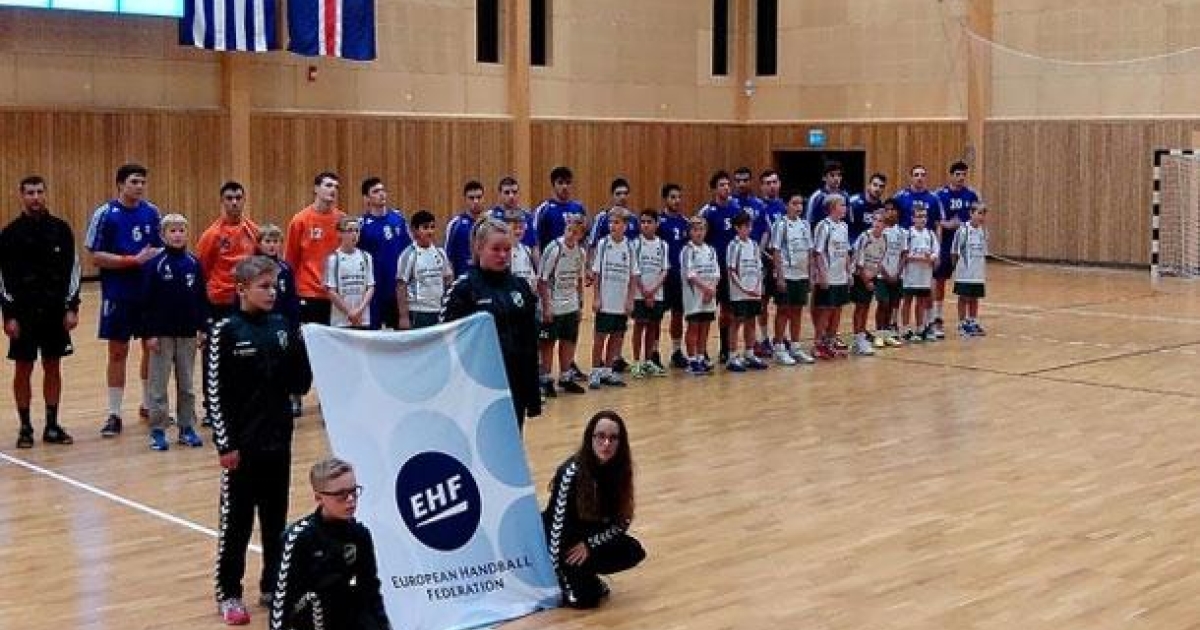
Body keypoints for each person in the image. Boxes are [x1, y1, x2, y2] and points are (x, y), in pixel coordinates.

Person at [210, 256, 312, 626]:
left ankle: (272, 586)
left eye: (275, 286)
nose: (272, 293)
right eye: (264, 287)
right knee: (236, 524)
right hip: (242, 448)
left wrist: (302, 347)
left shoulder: (282, 326)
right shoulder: (225, 331)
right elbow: (215, 394)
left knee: (275, 520)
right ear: (242, 289)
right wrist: (226, 445)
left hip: (278, 442)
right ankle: (229, 592)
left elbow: (300, 384)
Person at [0, 175, 80, 448]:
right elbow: (3, 278)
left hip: (55, 312)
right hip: (23, 314)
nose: (35, 197)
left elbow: (73, 271)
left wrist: (71, 308)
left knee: (52, 366)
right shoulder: (9, 234)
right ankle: (25, 427)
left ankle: (52, 425)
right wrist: (9, 315)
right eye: (30, 193)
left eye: (39, 192)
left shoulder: (61, 230)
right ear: (21, 196)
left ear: (46, 194)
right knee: (23, 368)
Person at [85, 163, 162, 437]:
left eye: (142, 182)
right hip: (118, 294)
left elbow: (159, 247)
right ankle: (114, 413)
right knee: (118, 352)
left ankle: (148, 404)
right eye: (134, 182)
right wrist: (131, 260)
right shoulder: (106, 214)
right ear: (120, 184)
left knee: (151, 349)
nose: (139, 186)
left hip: (147, 294)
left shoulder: (152, 212)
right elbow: (95, 256)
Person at [441, 218, 541, 429]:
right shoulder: (464, 289)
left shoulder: (521, 287)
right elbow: (447, 343)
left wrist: (533, 395)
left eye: (507, 249)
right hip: (478, 388)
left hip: (514, 386)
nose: (503, 255)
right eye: (496, 249)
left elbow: (530, 344)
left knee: (511, 441)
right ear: (479, 248)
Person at [271, 457, 391, 630]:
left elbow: (370, 589)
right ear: (318, 498)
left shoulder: (360, 535)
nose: (351, 499)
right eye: (341, 495)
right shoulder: (298, 538)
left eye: (353, 491)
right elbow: (281, 602)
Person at [543, 410, 645, 609]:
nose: (606, 444)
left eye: (613, 438)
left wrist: (589, 545)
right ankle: (575, 578)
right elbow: (556, 529)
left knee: (633, 551)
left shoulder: (621, 469)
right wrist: (556, 574)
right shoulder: (570, 473)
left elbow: (622, 521)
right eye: (600, 436)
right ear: (590, 437)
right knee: (584, 601)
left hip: (588, 538)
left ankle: (586, 574)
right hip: (565, 542)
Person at [141, 214, 207, 451]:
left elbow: (201, 299)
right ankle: (158, 430)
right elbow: (146, 302)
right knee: (158, 385)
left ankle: (187, 427)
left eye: (181, 230)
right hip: (162, 335)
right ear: (163, 235)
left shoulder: (194, 264)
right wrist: (149, 334)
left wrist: (202, 328)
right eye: (172, 231)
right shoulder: (155, 265)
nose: (177, 235)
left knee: (187, 385)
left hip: (187, 333)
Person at [285, 171, 345, 328]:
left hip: (336, 294)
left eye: (336, 187)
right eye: (328, 185)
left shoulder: (343, 221)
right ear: (316, 189)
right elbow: (290, 260)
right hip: (308, 292)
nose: (333, 190)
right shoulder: (300, 220)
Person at [537, 215, 588, 397]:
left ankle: (566, 377)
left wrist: (580, 304)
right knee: (548, 343)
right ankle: (545, 379)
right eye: (568, 230)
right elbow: (542, 280)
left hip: (571, 304)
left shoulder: (580, 253)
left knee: (569, 340)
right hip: (554, 304)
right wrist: (546, 306)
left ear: (581, 235)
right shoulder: (554, 249)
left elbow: (579, 279)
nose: (570, 235)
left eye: (575, 232)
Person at [256, 225, 303, 417]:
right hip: (260, 323)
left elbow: (292, 299)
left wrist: (295, 324)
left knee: (287, 361)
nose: (272, 245)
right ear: (259, 244)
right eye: (268, 241)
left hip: (282, 324)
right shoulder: (252, 268)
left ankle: (292, 398)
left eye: (275, 241)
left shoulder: (285, 269)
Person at [588, 208, 638, 390]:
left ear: (625, 225)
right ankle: (595, 371)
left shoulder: (630, 246)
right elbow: (597, 273)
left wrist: (630, 300)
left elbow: (633, 275)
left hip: (621, 301)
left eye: (616, 223)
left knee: (617, 337)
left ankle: (608, 371)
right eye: (610, 222)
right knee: (600, 337)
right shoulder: (603, 244)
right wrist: (596, 297)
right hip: (606, 300)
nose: (612, 226)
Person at [197, 182, 260, 323]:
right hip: (220, 301)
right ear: (222, 201)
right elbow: (202, 269)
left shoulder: (254, 231)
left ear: (244, 200)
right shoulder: (211, 235)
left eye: (238, 198)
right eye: (229, 198)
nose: (234, 202)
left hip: (246, 298)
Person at [697, 170, 741, 363]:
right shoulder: (707, 212)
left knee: (728, 311)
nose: (726, 188)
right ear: (714, 189)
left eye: (728, 185)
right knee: (706, 312)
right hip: (711, 270)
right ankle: (701, 351)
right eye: (722, 185)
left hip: (729, 268)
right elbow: (699, 238)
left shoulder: (736, 209)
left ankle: (725, 349)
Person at [935, 161, 981, 338]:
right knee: (940, 280)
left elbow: (978, 217)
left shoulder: (971, 195)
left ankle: (968, 320)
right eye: (958, 174)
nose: (961, 178)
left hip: (966, 247)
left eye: (964, 174)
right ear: (951, 175)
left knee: (967, 283)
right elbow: (936, 220)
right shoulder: (940, 195)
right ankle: (937, 317)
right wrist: (948, 224)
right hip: (946, 244)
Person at [357, 177, 411, 330]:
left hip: (397, 288)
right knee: (374, 334)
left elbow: (409, 251)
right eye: (375, 191)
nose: (381, 194)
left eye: (382, 190)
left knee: (400, 333)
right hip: (375, 290)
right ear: (367, 198)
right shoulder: (362, 225)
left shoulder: (398, 219)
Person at [769, 192, 815, 365]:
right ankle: (779, 348)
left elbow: (810, 251)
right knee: (783, 311)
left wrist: (810, 275)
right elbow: (776, 251)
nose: (798, 207)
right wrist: (780, 277)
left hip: (801, 275)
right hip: (786, 275)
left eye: (800, 204)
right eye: (794, 203)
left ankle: (795, 347)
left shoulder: (805, 225)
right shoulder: (780, 225)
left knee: (797, 311)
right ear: (786, 205)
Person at [724, 211, 768, 372]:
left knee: (751, 321)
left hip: (754, 292)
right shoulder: (733, 245)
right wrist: (744, 289)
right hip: (739, 293)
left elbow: (759, 268)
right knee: (736, 322)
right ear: (737, 228)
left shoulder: (754, 245)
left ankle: (749, 354)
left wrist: (757, 287)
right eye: (745, 226)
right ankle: (732, 356)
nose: (748, 229)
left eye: (750, 226)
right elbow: (731, 270)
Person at [396, 210, 452, 330]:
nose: (430, 231)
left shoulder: (440, 253)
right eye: (425, 228)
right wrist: (403, 317)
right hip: (418, 312)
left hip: (438, 310)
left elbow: (448, 279)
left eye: (432, 227)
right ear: (415, 230)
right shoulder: (408, 254)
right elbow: (401, 286)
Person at [630, 208, 669, 379]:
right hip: (639, 294)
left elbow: (664, 270)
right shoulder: (635, 244)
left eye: (649, 222)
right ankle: (636, 362)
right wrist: (645, 291)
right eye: (643, 222)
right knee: (639, 326)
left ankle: (648, 361)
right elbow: (634, 270)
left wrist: (653, 291)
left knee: (653, 326)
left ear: (656, 224)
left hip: (656, 294)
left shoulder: (663, 245)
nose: (645, 225)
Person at [811, 194, 851, 360]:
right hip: (829, 276)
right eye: (842, 205)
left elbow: (846, 251)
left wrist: (849, 272)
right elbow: (818, 252)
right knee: (825, 310)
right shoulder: (824, 226)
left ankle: (831, 341)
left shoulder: (844, 226)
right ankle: (818, 343)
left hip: (841, 276)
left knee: (837, 309)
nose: (845, 208)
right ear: (833, 207)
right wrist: (823, 275)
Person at [656, 184, 690, 369]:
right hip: (661, 277)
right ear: (665, 199)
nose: (676, 201)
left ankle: (676, 351)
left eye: (679, 197)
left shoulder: (685, 222)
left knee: (678, 314)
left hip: (679, 277)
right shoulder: (658, 222)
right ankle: (653, 352)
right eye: (672, 197)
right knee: (656, 316)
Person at [680, 216, 719, 375]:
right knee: (693, 327)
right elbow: (690, 274)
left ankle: (701, 357)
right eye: (695, 230)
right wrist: (705, 289)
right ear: (690, 232)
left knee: (705, 327)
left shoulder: (711, 250)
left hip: (709, 296)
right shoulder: (687, 250)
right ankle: (692, 360)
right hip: (694, 296)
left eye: (701, 229)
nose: (699, 233)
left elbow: (716, 273)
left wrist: (712, 289)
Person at [753, 169, 786, 358]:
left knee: (783, 302)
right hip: (765, 261)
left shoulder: (783, 206)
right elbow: (758, 237)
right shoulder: (758, 208)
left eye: (774, 182)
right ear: (762, 186)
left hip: (781, 262)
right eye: (768, 183)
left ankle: (780, 337)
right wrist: (767, 256)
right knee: (763, 302)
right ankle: (764, 337)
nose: (772, 186)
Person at [849, 209, 888, 356]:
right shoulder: (865, 237)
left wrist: (874, 277)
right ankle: (857, 339)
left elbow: (880, 261)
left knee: (866, 307)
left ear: (885, 225)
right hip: (860, 277)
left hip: (872, 277)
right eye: (875, 220)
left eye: (880, 221)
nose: (877, 223)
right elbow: (858, 263)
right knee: (860, 307)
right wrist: (866, 281)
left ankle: (861, 336)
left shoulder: (884, 239)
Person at [324, 217, 374, 329]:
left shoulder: (366, 257)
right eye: (350, 230)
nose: (354, 234)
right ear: (340, 234)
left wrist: (359, 311)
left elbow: (370, 287)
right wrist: (350, 313)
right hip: (341, 321)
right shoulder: (333, 259)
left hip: (362, 319)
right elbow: (331, 291)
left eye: (357, 230)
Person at [900, 206, 938, 343]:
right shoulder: (908, 234)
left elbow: (935, 253)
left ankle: (920, 328)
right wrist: (921, 258)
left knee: (921, 302)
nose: (922, 219)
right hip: (910, 275)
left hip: (924, 275)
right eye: (919, 216)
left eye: (924, 216)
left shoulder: (930, 234)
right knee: (907, 301)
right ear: (913, 218)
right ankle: (905, 329)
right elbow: (904, 255)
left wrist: (931, 258)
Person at [951, 202, 989, 337]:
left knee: (974, 298)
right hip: (964, 273)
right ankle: (962, 324)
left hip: (978, 273)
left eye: (983, 214)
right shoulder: (962, 231)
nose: (981, 216)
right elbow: (954, 252)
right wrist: (956, 269)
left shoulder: (983, 232)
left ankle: (972, 322)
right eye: (979, 213)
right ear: (971, 213)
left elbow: (984, 253)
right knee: (963, 297)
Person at [534, 166, 588, 253]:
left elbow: (585, 238)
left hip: (574, 258)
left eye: (568, 183)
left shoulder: (579, 208)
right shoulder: (544, 209)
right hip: (552, 258)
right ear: (553, 185)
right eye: (560, 183)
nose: (565, 186)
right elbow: (535, 241)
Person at [875, 201, 906, 347]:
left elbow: (904, 254)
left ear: (897, 212)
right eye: (887, 210)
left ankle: (887, 334)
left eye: (893, 209)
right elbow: (876, 255)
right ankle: (878, 335)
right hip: (882, 275)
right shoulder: (880, 231)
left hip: (896, 275)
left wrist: (898, 272)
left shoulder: (902, 232)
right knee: (883, 303)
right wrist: (886, 274)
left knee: (893, 304)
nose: (890, 212)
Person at [445, 180, 486, 278]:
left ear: (484, 198)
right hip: (464, 279)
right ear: (465, 200)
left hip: (487, 280)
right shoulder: (455, 225)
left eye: (479, 197)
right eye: (471, 198)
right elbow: (448, 258)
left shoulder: (491, 224)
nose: (476, 201)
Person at [490, 176, 538, 250]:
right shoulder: (491, 217)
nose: (511, 196)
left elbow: (534, 246)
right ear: (500, 194)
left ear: (519, 194)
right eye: (507, 192)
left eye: (514, 192)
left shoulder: (527, 216)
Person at [847, 173, 887, 246]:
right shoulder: (853, 202)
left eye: (881, 186)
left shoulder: (882, 209)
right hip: (853, 246)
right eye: (875, 185)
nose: (877, 189)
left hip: (871, 248)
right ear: (869, 185)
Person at [805, 161, 845, 227]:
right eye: (832, 175)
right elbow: (808, 222)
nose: (836, 178)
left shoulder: (845, 196)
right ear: (824, 178)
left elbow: (849, 221)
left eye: (839, 175)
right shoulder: (816, 197)